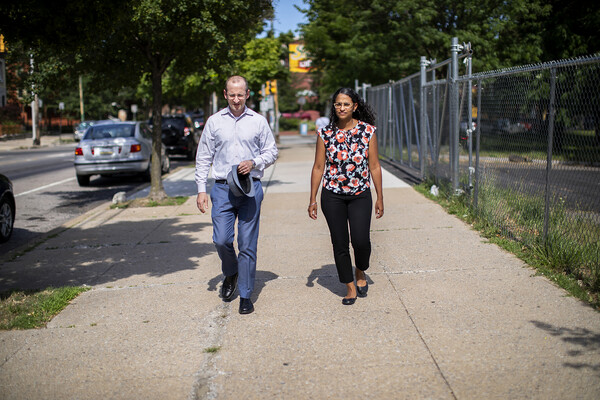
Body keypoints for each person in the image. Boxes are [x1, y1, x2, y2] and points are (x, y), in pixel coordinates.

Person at [195, 75, 278, 314]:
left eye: (240, 94)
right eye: (232, 94)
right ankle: (230, 272)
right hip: (222, 188)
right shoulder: (214, 122)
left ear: (247, 94)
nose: (236, 99)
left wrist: (254, 162)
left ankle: (245, 294)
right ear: (225, 94)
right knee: (221, 239)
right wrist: (201, 189)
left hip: (250, 187)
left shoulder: (258, 121)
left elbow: (271, 152)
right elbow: (203, 157)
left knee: (247, 244)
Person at [308, 87, 384, 305]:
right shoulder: (325, 133)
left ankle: (361, 271)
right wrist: (312, 199)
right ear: (334, 107)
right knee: (339, 242)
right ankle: (349, 286)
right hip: (332, 196)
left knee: (361, 241)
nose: (342, 108)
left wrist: (380, 197)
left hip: (360, 194)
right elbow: (318, 167)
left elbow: (375, 166)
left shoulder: (368, 131)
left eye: (346, 104)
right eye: (338, 104)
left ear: (355, 107)